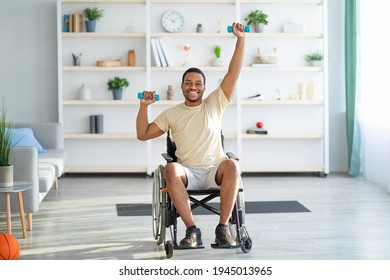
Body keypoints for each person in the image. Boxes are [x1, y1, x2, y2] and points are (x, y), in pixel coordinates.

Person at [136, 22, 246, 248]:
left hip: (215, 170)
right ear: (182, 86)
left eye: (198, 84)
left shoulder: (215, 102)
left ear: (204, 88)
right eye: (188, 83)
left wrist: (241, 40)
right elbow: (143, 134)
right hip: (189, 172)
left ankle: (222, 229)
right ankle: (192, 230)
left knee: (233, 164)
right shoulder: (172, 114)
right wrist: (144, 106)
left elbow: (233, 73)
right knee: (170, 168)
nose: (193, 87)